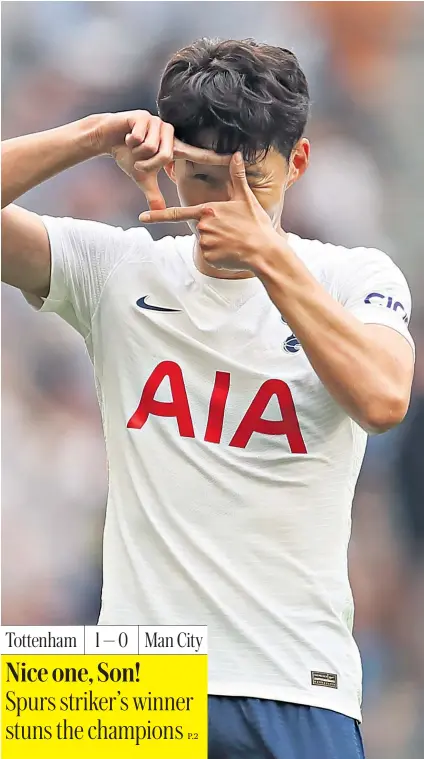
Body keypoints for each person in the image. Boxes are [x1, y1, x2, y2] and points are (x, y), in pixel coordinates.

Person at [1, 38, 415, 759]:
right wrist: (94, 136)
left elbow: (384, 399)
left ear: (300, 162)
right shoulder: (118, 268)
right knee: (30, 702)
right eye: (202, 178)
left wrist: (266, 255)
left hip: (295, 679)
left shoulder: (354, 276)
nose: (225, 206)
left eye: (250, 181)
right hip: (133, 680)